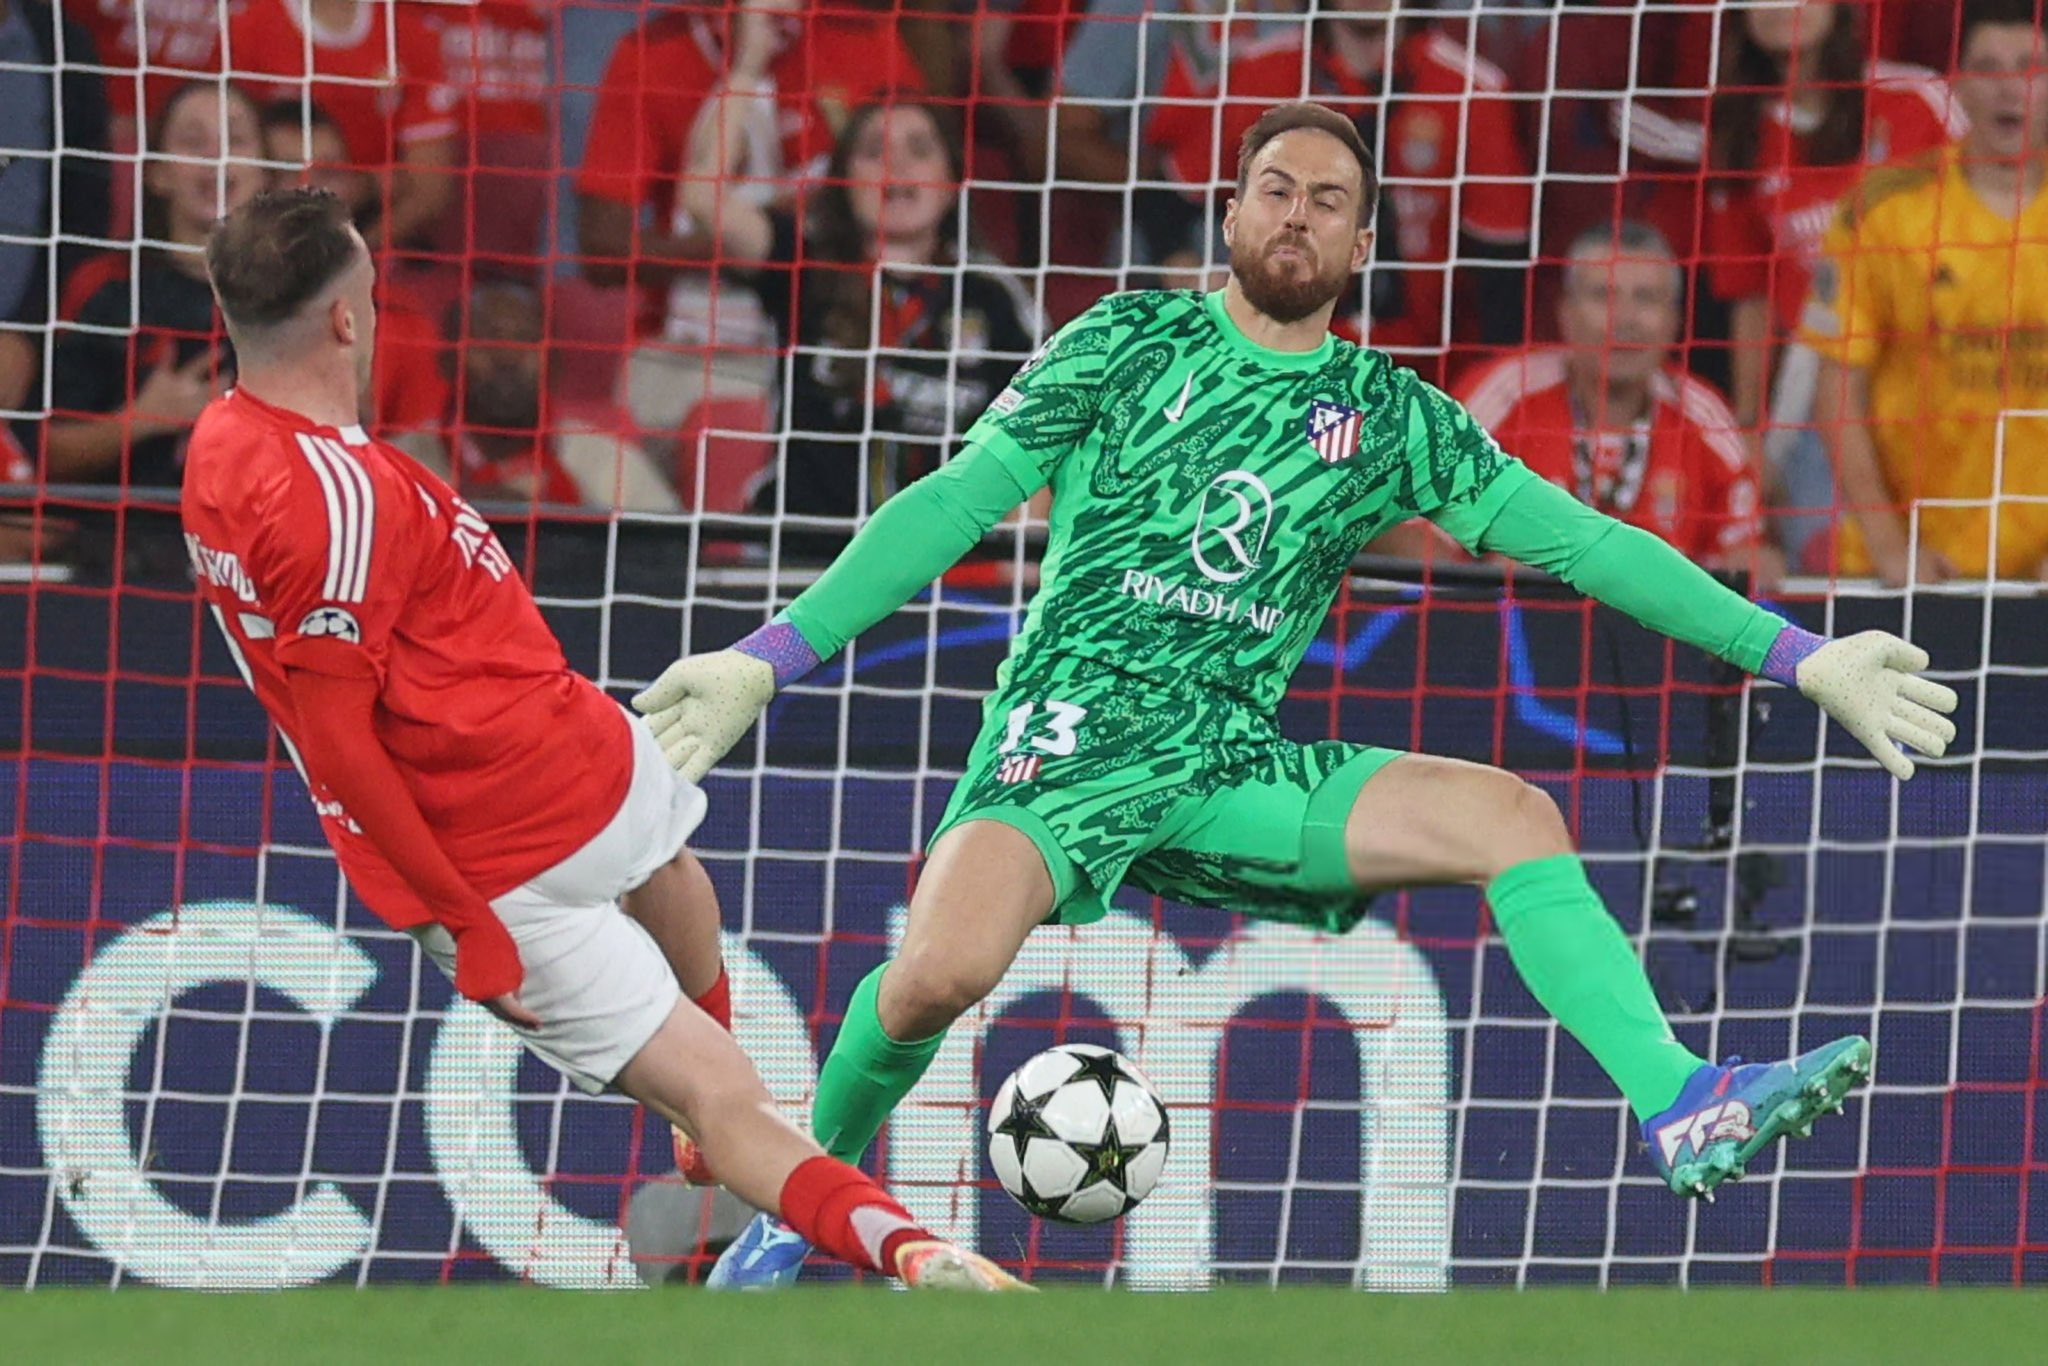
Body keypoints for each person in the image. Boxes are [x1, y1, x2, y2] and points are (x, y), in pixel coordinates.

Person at [634, 102, 1959, 1287]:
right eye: (1274, 185)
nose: (1296, 213)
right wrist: (770, 656)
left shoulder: (1391, 417)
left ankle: (1681, 1097)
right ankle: (795, 1208)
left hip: (1225, 760)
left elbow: (1588, 545)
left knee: (1514, 816)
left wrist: (1800, 653)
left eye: (1329, 199)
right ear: (1230, 210)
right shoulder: (1131, 340)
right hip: (1069, 740)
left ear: (1364, 242)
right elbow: (954, 503)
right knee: (933, 980)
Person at [179, 187, 1022, 1294]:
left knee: (675, 895)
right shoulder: (333, 497)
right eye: (375, 297)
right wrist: (467, 922)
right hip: (492, 854)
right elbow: (337, 739)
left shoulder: (218, 448)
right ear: (347, 320)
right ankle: (911, 1250)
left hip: (565, 745)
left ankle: (816, 1197)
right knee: (729, 1096)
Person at [680, 86, 1039, 541]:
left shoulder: (996, 297)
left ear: (953, 182)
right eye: (874, 151)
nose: (897, 167)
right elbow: (700, 198)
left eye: (919, 150)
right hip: (799, 556)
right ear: (844, 180)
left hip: (939, 570)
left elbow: (1040, 442)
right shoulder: (804, 265)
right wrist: (749, 64)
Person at [575, 0, 924, 451]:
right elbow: (602, 249)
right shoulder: (653, 54)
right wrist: (769, 242)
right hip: (693, 353)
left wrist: (790, 240)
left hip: (846, 340)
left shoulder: (867, 40)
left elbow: (936, 188)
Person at [1142, 0, 1531, 374]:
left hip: (1420, 368)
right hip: (1278, 359)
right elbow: (1165, 196)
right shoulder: (1264, 71)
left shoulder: (1472, 89)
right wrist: (1190, 275)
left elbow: (1502, 272)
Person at [1706, 0, 1958, 567]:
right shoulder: (1738, 125)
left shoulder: (1916, 100)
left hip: (1940, 376)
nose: (1780, 8)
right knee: (1837, 565)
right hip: (1821, 389)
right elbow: (1749, 293)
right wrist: (1751, 426)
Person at [1806, 0, 2048, 584]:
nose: (2007, 89)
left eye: (2028, 67)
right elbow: (1836, 392)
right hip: (1909, 565)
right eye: (1987, 67)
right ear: (1959, 84)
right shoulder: (1883, 207)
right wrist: (1892, 544)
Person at [1446, 222, 1777, 587]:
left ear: (1675, 321)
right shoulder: (1502, 395)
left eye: (1647, 298)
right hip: (1509, 631)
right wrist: (1486, 582)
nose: (1625, 320)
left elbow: (1750, 559)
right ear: (1565, 314)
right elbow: (1413, 534)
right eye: (1604, 295)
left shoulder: (1705, 417)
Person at [225, 0, 460, 251]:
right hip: (267, 232)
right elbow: (231, 162)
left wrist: (351, 257)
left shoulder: (410, 33)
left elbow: (430, 192)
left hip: (374, 234)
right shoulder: (249, 27)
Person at [443, 280, 681, 513]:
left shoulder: (610, 464)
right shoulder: (412, 464)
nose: (508, 357)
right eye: (486, 340)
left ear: (555, 362)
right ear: (447, 362)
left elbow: (673, 548)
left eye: (527, 339)